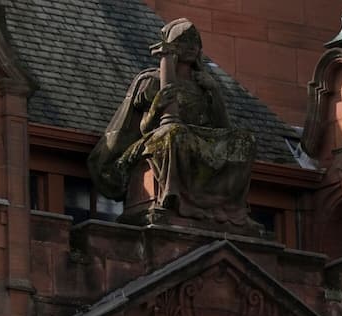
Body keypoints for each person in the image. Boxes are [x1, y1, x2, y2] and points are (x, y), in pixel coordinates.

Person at [88, 18, 259, 233]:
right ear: (172, 46)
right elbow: (144, 129)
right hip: (158, 139)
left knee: (245, 140)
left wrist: (214, 91)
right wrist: (156, 106)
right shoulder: (152, 80)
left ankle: (232, 210)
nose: (191, 46)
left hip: (198, 138)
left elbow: (223, 128)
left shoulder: (203, 85)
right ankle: (174, 199)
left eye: (194, 42)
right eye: (183, 40)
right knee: (174, 133)